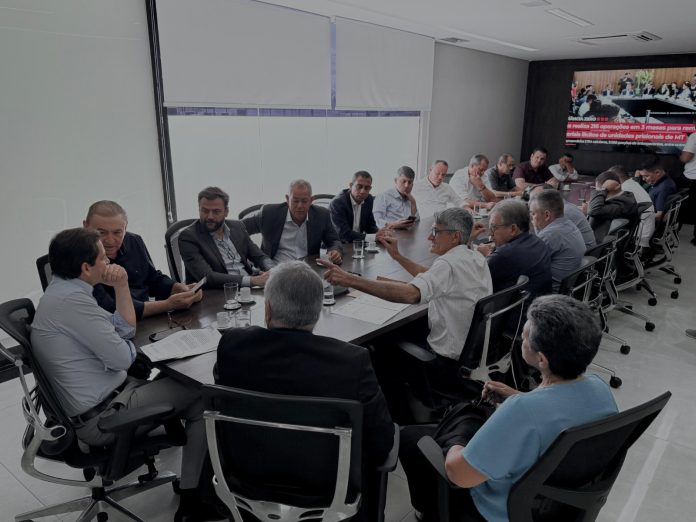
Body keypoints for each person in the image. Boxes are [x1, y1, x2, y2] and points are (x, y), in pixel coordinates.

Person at [30, 228, 220, 522]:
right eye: (103, 259)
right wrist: (125, 348)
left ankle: (193, 490)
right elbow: (122, 356)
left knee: (181, 385)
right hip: (104, 417)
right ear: (86, 267)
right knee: (203, 394)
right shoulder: (73, 304)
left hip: (107, 399)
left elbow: (125, 329)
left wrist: (121, 286)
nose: (109, 263)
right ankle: (194, 501)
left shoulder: (63, 294)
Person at [215, 261, 394, 522]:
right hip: (328, 490)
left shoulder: (232, 346)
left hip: (248, 480)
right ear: (317, 311)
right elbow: (382, 443)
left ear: (267, 310)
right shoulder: (351, 361)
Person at [437, 295, 618, 522]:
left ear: (541, 359)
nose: (521, 340)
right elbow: (559, 413)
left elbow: (459, 475)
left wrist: (458, 439)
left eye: (524, 337)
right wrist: (518, 396)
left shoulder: (521, 411)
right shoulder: (600, 389)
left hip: (501, 511)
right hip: (555, 507)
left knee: (415, 439)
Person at [323, 208, 492, 362]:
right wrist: (398, 256)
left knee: (378, 343)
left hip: (447, 358)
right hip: (472, 351)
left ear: (455, 236)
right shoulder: (474, 256)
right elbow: (432, 275)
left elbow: (410, 294)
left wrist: (349, 279)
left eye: (436, 231)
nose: (429, 237)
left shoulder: (448, 264)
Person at [84, 200, 202, 319]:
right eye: (101, 232)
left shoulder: (134, 241)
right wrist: (168, 305)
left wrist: (177, 288)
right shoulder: (81, 261)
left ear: (125, 227)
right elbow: (110, 308)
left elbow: (152, 278)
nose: (110, 240)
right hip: (113, 323)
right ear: (86, 226)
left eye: (117, 232)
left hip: (149, 317)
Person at [179, 186, 274, 289]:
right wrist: (253, 281)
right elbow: (207, 277)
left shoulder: (238, 226)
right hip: (216, 293)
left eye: (216, 211)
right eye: (205, 211)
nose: (210, 216)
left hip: (248, 290)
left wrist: (272, 271)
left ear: (226, 211)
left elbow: (259, 256)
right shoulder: (188, 237)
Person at [242, 179, 343, 263]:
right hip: (276, 270)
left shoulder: (322, 215)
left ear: (311, 200)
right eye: (295, 201)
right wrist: (252, 254)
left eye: (304, 201)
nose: (300, 206)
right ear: (287, 199)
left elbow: (334, 241)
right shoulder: (269, 213)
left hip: (308, 270)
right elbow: (238, 229)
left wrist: (335, 251)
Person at [476, 199, 552, 300]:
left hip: (515, 309)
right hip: (539, 303)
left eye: (494, 227)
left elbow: (472, 283)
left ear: (513, 229)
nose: (490, 234)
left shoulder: (502, 256)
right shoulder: (539, 242)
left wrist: (482, 255)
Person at [529, 190, 585, 291]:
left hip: (550, 294)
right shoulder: (569, 224)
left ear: (547, 215)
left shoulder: (551, 235)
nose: (532, 218)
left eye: (533, 214)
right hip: (569, 289)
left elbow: (526, 266)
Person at [530, 185, 596, 250]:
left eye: (536, 198)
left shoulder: (563, 212)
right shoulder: (563, 207)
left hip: (587, 252)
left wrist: (535, 225)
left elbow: (540, 243)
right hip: (585, 251)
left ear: (549, 197)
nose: (530, 203)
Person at [586, 170, 639, 243]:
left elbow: (594, 210)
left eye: (598, 189)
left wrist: (602, 190)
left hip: (599, 245)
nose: (598, 193)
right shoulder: (621, 199)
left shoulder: (625, 203)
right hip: (597, 239)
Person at [610, 164, 656, 248]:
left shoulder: (625, 189)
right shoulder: (631, 183)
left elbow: (613, 209)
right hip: (643, 230)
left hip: (638, 236)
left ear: (615, 179)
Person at [329, 170, 380, 242]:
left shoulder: (369, 199)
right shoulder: (337, 203)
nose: (363, 191)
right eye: (359, 186)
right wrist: (373, 237)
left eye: (367, 188)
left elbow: (370, 226)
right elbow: (343, 234)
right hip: (338, 244)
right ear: (350, 186)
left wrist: (380, 233)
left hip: (358, 243)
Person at [639, 158, 677, 226]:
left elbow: (659, 216)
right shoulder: (661, 181)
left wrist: (638, 218)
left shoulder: (663, 189)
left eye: (646, 176)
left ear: (657, 172)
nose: (643, 179)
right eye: (642, 176)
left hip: (648, 223)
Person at [679, 118, 696, 245]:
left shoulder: (694, 136)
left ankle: (672, 233)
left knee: (681, 207)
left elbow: (685, 158)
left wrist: (681, 155)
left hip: (692, 177)